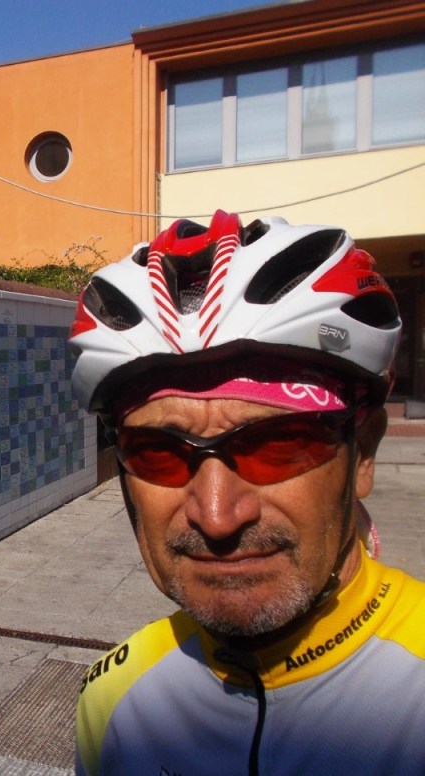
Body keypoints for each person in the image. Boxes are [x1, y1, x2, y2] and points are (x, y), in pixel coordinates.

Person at [67, 210, 425, 775]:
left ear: (363, 455)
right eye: (158, 451)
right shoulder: (112, 703)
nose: (216, 516)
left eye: (279, 444)